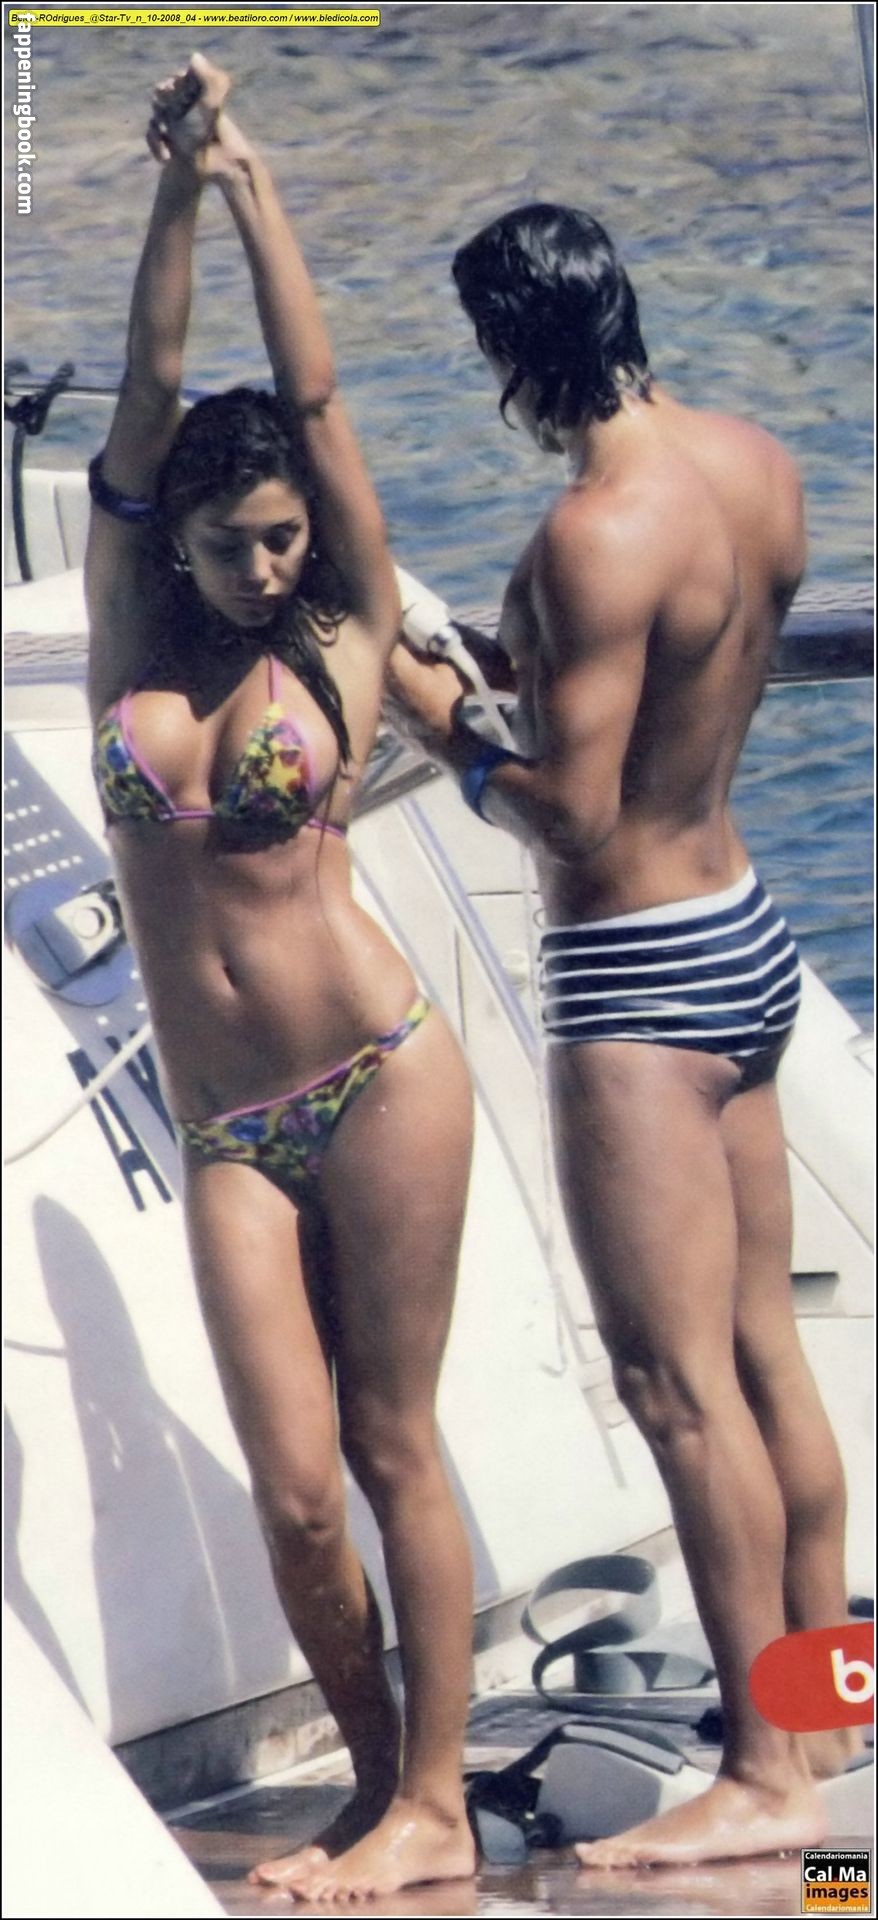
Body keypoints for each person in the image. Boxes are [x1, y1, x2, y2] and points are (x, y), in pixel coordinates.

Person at [387, 202, 856, 1868]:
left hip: (638, 978)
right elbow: (680, 680)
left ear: (510, 351)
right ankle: (824, 1716)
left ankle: (765, 1780)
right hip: (743, 927)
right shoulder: (752, 466)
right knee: (762, 1352)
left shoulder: (591, 532)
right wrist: (517, 672)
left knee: (674, 1386)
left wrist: (442, 720)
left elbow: (570, 817)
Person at [86, 56, 476, 1904]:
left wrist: (252, 183)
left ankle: (435, 1806)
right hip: (231, 1125)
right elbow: (149, 391)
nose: (266, 561)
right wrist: (170, 188)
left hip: (379, 1073)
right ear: (170, 537)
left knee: (392, 1444)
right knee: (300, 1490)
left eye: (284, 535)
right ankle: (378, 1780)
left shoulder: (341, 629)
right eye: (233, 539)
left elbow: (312, 399)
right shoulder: (127, 635)